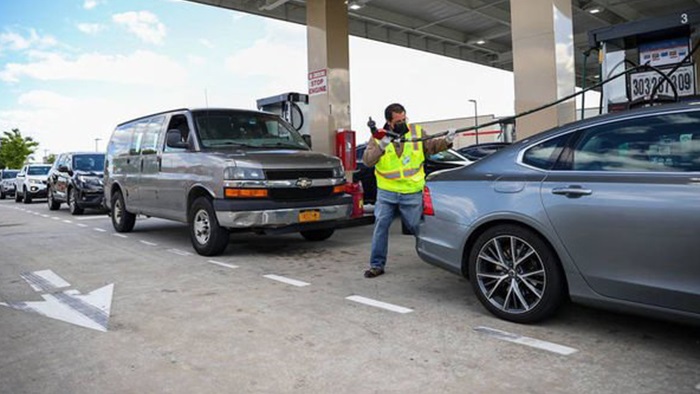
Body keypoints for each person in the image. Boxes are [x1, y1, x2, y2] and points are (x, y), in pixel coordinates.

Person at [362, 103, 456, 278]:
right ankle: (376, 265)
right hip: (387, 192)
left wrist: (447, 141)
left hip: (411, 191)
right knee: (380, 227)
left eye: (404, 119)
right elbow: (367, 160)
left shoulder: (415, 132)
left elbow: (431, 146)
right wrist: (381, 146)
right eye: (398, 121)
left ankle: (437, 257)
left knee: (416, 226)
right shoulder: (378, 137)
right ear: (389, 122)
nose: (403, 123)